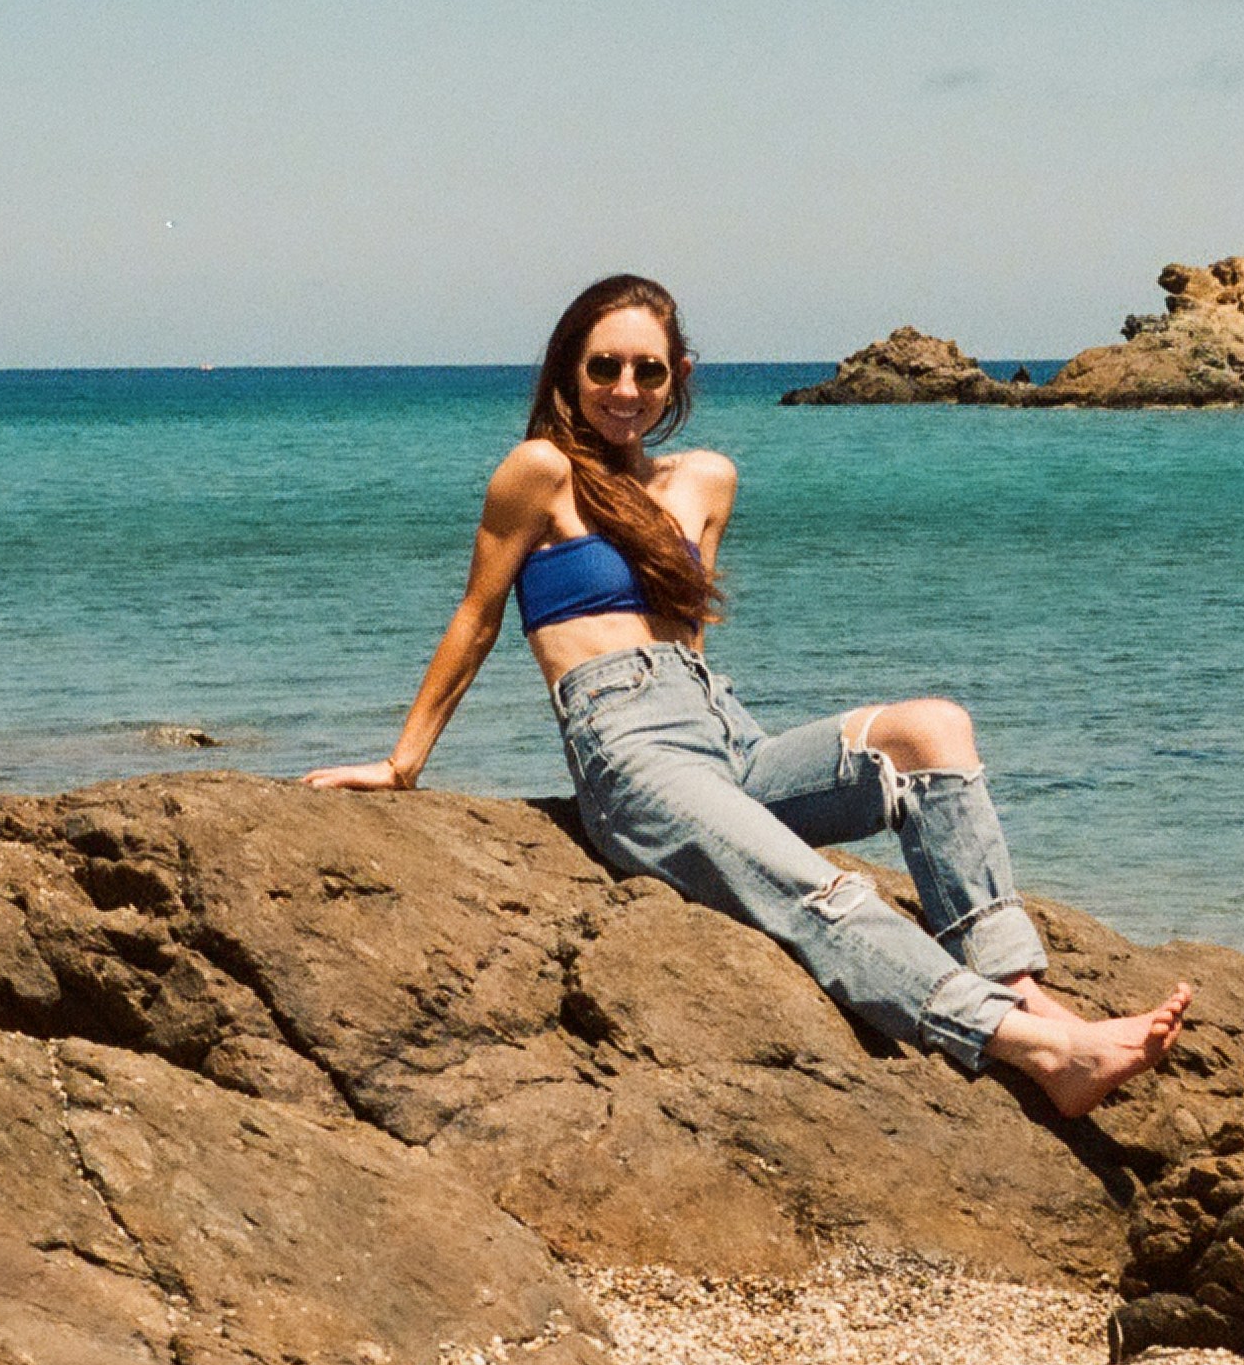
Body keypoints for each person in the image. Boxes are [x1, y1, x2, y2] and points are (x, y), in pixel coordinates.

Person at [305, 274, 1191, 1119]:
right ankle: (1034, 1049)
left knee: (933, 729)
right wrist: (400, 764)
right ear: (566, 370)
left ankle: (1018, 987)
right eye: (603, 366)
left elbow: (686, 635)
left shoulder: (705, 480)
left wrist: (723, 740)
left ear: (678, 376)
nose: (625, 388)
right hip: (631, 755)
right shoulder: (539, 470)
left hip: (725, 733)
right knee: (821, 892)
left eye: (647, 370)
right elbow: (476, 616)